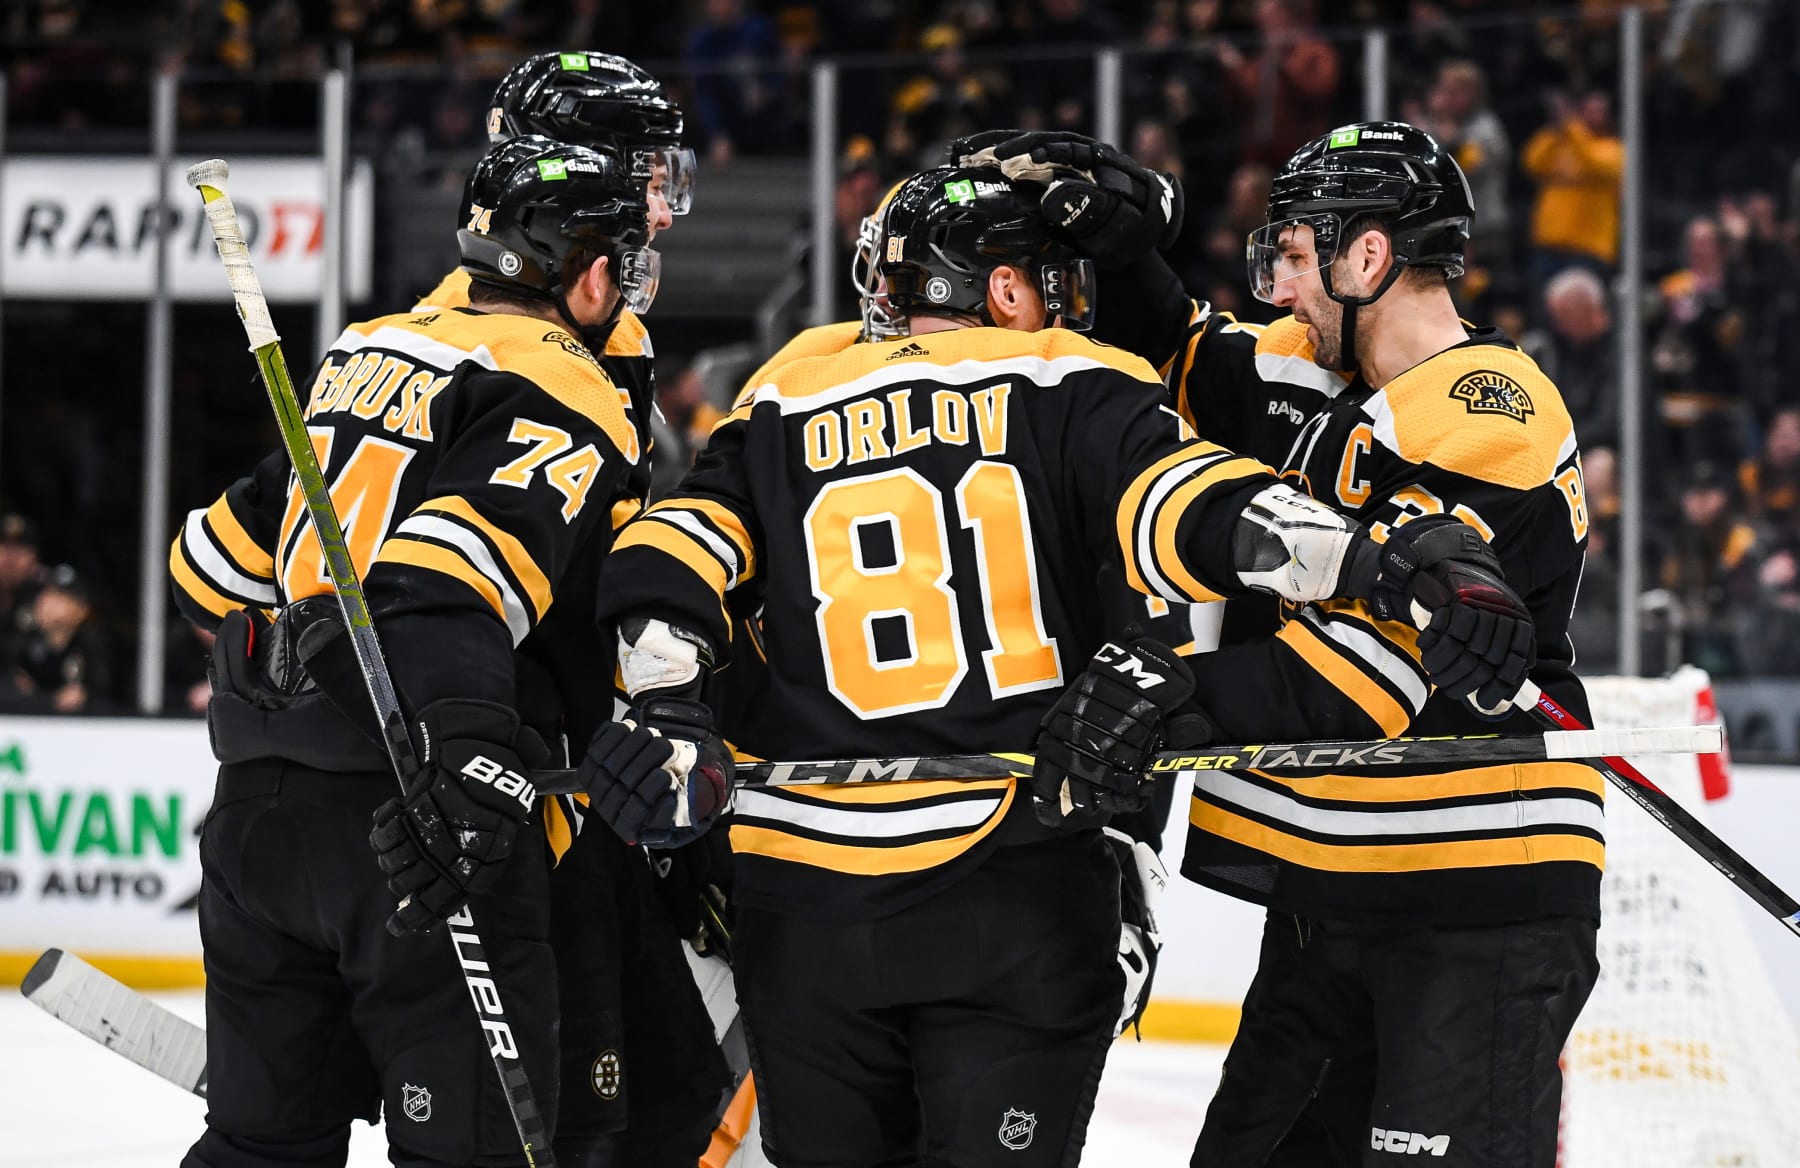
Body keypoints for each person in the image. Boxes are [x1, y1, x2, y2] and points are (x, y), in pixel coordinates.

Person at [573, 164, 1534, 1167]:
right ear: (1001, 289)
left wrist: (666, 702)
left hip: (803, 905)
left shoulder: (788, 386)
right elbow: (1209, 510)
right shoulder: (1068, 373)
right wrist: (1386, 563)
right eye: (1043, 274)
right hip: (1010, 883)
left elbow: (670, 548)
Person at [1039, 121, 1601, 1168]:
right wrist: (1119, 248)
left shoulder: (1496, 413)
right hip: (1333, 897)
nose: (1279, 286)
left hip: (1474, 898)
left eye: (1296, 254)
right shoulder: (1305, 364)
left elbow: (1367, 676)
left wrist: (1167, 691)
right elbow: (1188, 360)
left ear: (1369, 258)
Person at [169, 136, 657, 1168]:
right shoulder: (567, 386)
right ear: (589, 269)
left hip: (257, 815)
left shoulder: (366, 349)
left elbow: (203, 566)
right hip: (420, 823)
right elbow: (442, 588)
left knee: (259, 1149)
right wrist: (470, 765)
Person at [413, 51, 735, 1164]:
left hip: (583, 775)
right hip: (502, 785)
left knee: (662, 1100)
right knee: (594, 1115)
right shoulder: (475, 336)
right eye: (642, 173)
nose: (663, 202)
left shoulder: (621, 339)